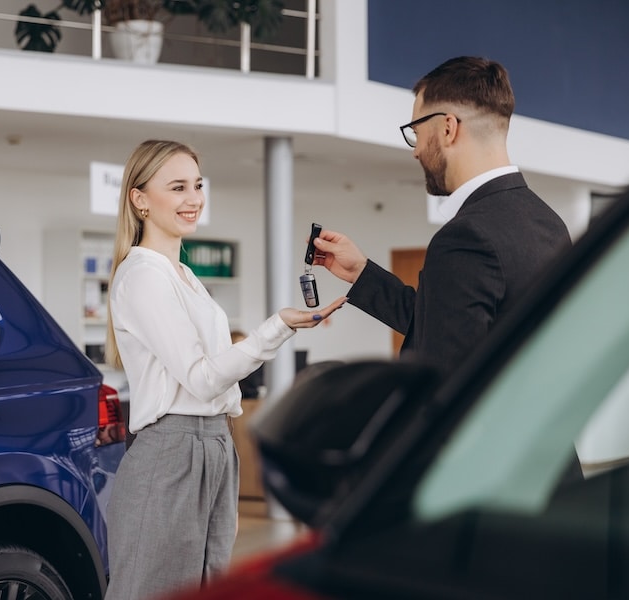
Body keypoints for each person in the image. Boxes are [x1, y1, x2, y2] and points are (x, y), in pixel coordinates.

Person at [103, 139, 345, 600]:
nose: (193, 199)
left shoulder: (184, 276)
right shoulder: (143, 275)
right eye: (177, 187)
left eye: (197, 185)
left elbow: (212, 371)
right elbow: (201, 377)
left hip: (214, 443)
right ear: (140, 200)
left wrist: (281, 326)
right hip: (172, 452)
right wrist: (275, 328)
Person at [312, 56, 572, 375]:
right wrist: (363, 273)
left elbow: (441, 379)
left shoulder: (465, 237)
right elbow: (444, 325)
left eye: (416, 131)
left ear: (448, 128)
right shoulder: (550, 224)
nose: (415, 150)